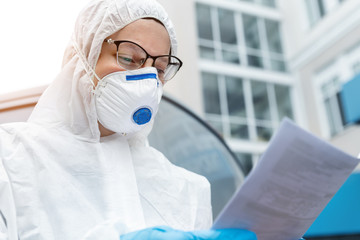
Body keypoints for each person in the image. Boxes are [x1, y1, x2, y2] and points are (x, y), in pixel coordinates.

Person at [0, 0, 259, 239]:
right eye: (129, 58)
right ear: (82, 57)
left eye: (159, 69)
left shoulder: (187, 189)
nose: (147, 81)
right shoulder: (12, 158)